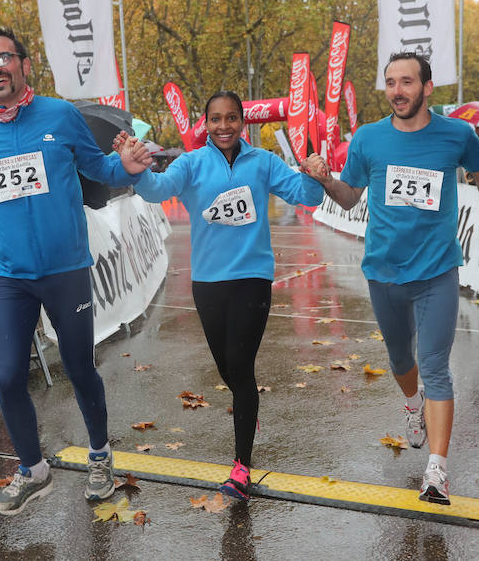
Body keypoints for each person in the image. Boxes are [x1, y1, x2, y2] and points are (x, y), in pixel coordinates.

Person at [0, 25, 153, 516]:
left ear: (23, 63)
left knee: (80, 367)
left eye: (3, 58)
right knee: (11, 375)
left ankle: (100, 457)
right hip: (11, 275)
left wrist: (128, 165)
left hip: (66, 271)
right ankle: (33, 470)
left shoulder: (61, 115)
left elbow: (101, 171)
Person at [305, 53, 479, 505]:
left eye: (406, 82)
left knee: (437, 366)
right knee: (401, 359)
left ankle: (436, 473)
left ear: (427, 87)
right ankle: (412, 404)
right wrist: (327, 180)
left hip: (437, 270)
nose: (397, 91)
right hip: (383, 271)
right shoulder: (368, 139)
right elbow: (348, 199)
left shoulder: (457, 134)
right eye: (390, 83)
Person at [119, 91, 326, 501]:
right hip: (208, 282)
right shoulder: (193, 163)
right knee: (227, 370)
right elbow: (158, 189)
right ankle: (248, 411)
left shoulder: (263, 162)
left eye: (232, 118)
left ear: (243, 122)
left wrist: (316, 173)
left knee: (241, 366)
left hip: (252, 278)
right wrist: (136, 170)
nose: (224, 126)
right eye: (216, 119)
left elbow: (311, 197)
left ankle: (241, 467)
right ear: (205, 123)